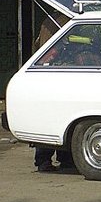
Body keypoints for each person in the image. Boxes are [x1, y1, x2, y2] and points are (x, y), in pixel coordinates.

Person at [32, 12, 76, 172]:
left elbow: (37, 45)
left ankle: (46, 160)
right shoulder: (66, 21)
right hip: (56, 73)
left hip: (47, 74)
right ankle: (54, 159)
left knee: (51, 119)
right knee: (57, 118)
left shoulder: (49, 20)